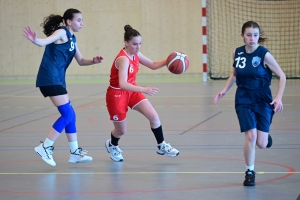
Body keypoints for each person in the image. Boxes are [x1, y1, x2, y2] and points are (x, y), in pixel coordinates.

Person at [23, 8, 103, 166]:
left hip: (57, 80)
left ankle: (74, 154)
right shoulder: (61, 32)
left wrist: (93, 61)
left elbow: (80, 60)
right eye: (79, 20)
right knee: (67, 115)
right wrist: (35, 40)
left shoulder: (72, 39)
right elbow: (44, 42)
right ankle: (45, 146)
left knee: (71, 115)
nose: (82, 23)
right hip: (50, 78)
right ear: (68, 21)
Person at [214, 21, 286, 186]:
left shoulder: (264, 54)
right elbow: (234, 74)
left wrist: (279, 97)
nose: (252, 38)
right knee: (251, 136)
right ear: (242, 36)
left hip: (262, 98)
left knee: (261, 143)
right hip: (243, 98)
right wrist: (224, 90)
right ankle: (249, 172)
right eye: (248, 35)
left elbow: (282, 75)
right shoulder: (237, 53)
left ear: (259, 36)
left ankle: (266, 138)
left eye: (255, 35)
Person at [105, 25, 180, 162]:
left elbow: (152, 64)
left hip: (132, 91)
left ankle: (161, 145)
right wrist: (143, 89)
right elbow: (122, 83)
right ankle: (112, 145)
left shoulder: (136, 54)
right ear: (126, 43)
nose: (138, 47)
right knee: (121, 131)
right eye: (134, 44)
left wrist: (170, 60)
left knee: (154, 116)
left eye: (140, 44)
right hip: (117, 94)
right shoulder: (123, 59)